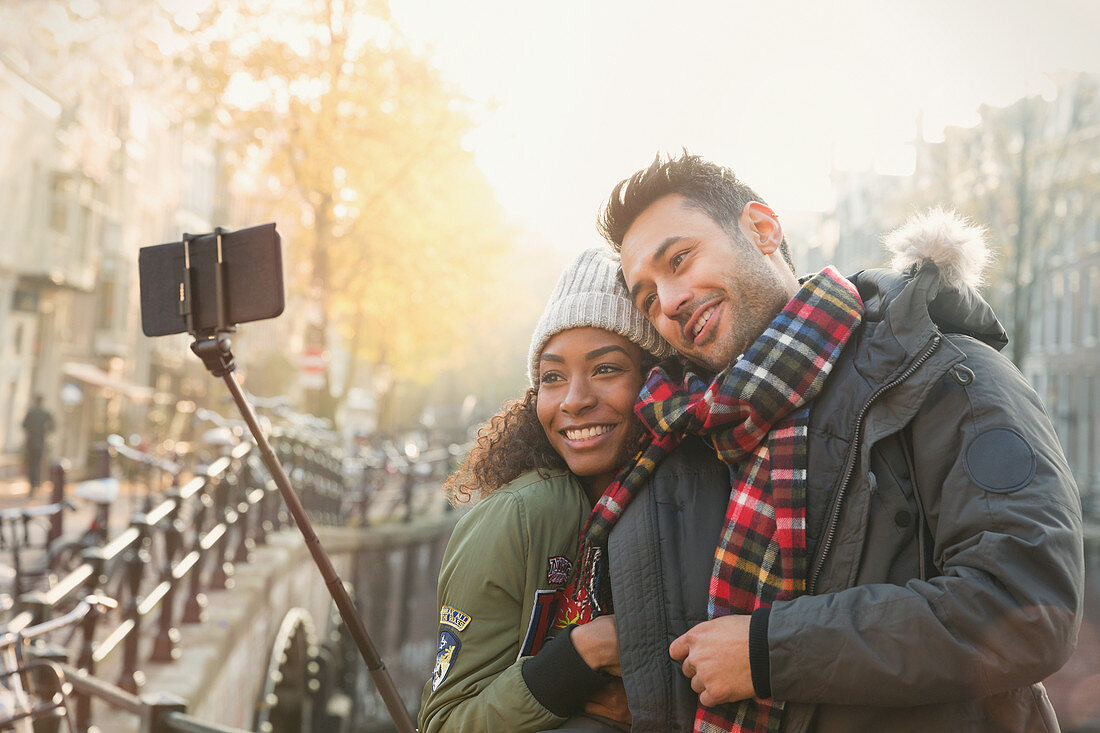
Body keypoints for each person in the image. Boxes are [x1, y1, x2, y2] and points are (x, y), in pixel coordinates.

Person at [584, 152, 1084, 732]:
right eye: (648, 298)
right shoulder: (694, 433)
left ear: (763, 230)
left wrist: (766, 653)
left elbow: (1026, 609)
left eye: (680, 258)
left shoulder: (946, 376)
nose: (669, 302)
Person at [418, 247, 680, 732]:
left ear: (653, 379)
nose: (575, 400)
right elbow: (445, 723)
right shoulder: (519, 516)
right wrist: (582, 655)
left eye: (605, 369)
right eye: (552, 378)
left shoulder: (688, 494)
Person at [22, 394, 55, 495]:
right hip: (40, 441)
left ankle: (33, 485)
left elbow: (24, 425)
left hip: (31, 441)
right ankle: (36, 484)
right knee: (38, 463)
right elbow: (53, 426)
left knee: (32, 464)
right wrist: (44, 431)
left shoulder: (31, 412)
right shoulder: (45, 413)